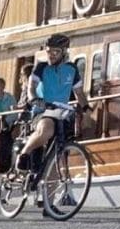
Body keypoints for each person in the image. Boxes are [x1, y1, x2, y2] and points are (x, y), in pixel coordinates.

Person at [18, 34, 90, 171]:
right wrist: (35, 100)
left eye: (55, 52)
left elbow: (79, 93)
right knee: (47, 129)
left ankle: (57, 177)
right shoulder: (41, 67)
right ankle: (24, 153)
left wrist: (86, 108)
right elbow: (31, 88)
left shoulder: (72, 69)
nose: (51, 55)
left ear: (64, 52)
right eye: (49, 51)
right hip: (43, 110)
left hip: (62, 112)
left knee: (65, 142)